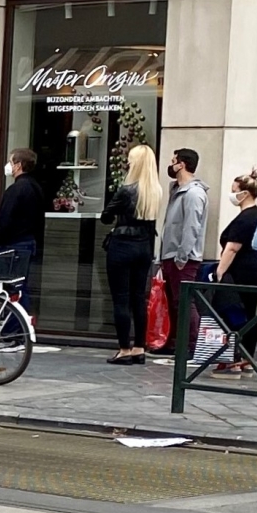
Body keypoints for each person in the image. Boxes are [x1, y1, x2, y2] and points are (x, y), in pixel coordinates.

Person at [99, 144, 165, 363]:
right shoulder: (155, 190)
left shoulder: (127, 189)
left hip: (122, 245)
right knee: (139, 298)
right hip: (144, 247)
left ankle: (124, 349)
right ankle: (139, 348)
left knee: (120, 299)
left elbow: (106, 216)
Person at [213, 170, 257, 371]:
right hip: (255, 270)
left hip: (241, 272)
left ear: (245, 193)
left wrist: (219, 272)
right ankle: (246, 356)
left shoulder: (246, 218)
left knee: (236, 313)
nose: (231, 195)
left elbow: (232, 247)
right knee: (249, 312)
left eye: (234, 191)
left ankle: (237, 356)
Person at [157, 148, 208, 355]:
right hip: (170, 255)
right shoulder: (177, 190)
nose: (171, 164)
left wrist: (182, 256)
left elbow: (191, 227)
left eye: (174, 161)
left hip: (182, 258)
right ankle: (174, 342)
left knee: (185, 302)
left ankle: (191, 345)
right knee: (172, 302)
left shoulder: (193, 193)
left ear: (182, 164)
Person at [0, 148, 49, 313]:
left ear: (18, 165)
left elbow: (6, 220)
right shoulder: (36, 187)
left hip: (13, 245)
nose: (8, 165)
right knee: (20, 286)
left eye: (10, 161)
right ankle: (21, 326)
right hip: (28, 243)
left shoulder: (15, 190)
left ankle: (14, 328)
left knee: (12, 288)